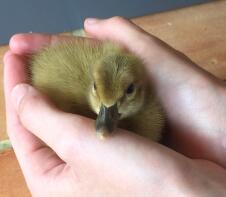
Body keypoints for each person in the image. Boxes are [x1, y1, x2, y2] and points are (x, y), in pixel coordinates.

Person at [3, 17, 226, 196]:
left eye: (129, 92)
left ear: (140, 84)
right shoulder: (67, 89)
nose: (105, 119)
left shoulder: (150, 110)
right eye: (98, 95)